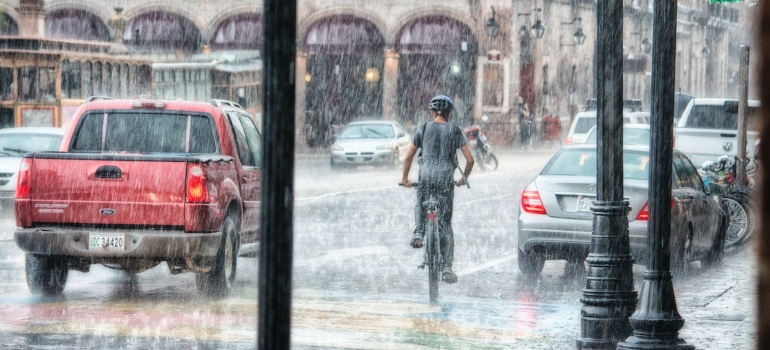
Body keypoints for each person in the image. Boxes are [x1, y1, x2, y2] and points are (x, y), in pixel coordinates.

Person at [400, 95, 474, 284]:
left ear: (432, 113)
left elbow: (408, 157)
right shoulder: (455, 131)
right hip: (445, 180)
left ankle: (418, 231)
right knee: (446, 225)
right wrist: (463, 178)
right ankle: (447, 267)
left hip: (426, 176)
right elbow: (470, 159)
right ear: (449, 113)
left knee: (420, 201)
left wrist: (405, 179)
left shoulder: (424, 128)